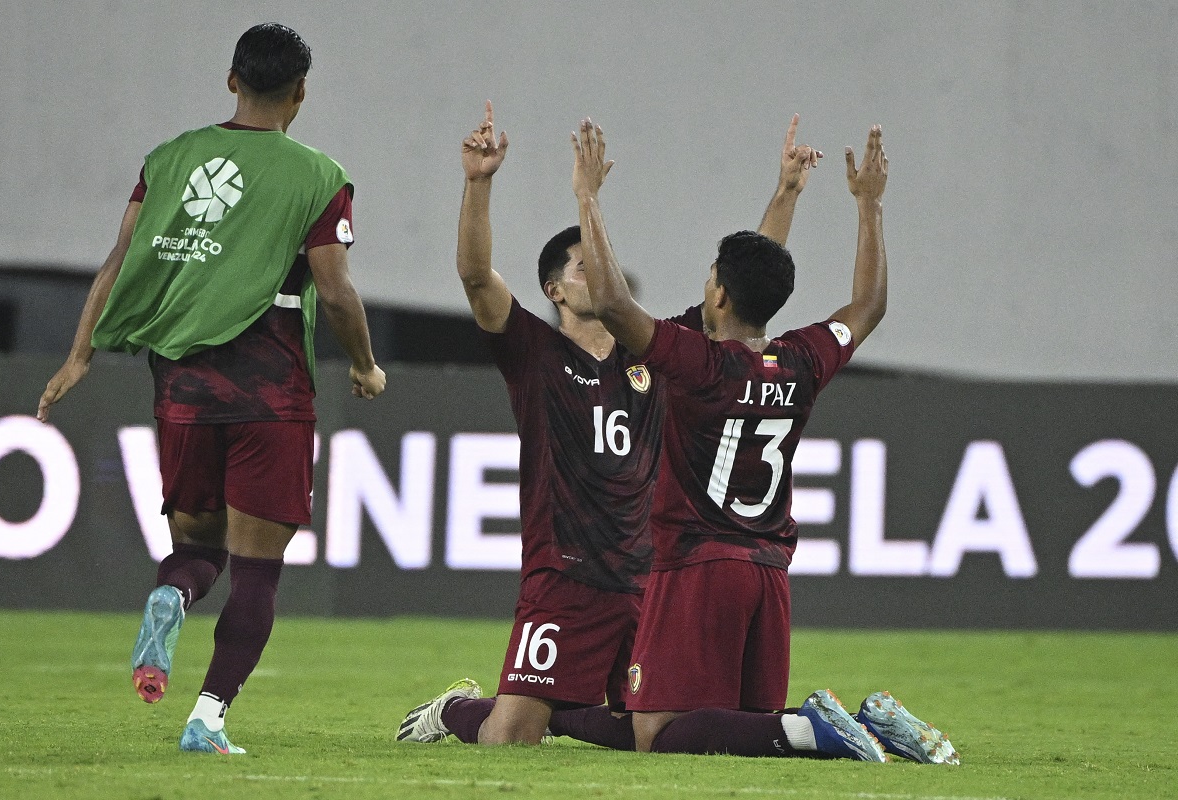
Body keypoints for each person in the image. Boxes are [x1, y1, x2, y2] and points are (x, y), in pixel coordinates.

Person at [395, 103, 820, 749]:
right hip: (566, 574)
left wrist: (785, 192)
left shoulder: (659, 348)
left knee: (652, 732)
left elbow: (744, 289)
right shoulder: (535, 354)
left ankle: (553, 713)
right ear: (554, 290)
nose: (600, 267)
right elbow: (477, 277)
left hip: (653, 577)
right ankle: (457, 712)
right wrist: (478, 182)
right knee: (512, 737)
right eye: (581, 265)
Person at [36, 23, 386, 755]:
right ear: (300, 92)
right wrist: (363, 363)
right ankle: (207, 718)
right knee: (258, 569)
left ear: (232, 80)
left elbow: (117, 265)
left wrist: (79, 357)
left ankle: (173, 594)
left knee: (195, 548)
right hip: (271, 388)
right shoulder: (319, 175)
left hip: (183, 387)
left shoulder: (167, 160)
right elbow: (336, 288)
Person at [570, 117, 958, 764]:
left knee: (659, 731)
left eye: (711, 276)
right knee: (741, 728)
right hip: (770, 573)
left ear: (717, 292)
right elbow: (867, 304)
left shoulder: (697, 363)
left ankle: (812, 729)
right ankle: (870, 725)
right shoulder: (801, 360)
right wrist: (867, 204)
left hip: (696, 565)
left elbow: (611, 303)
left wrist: (587, 196)